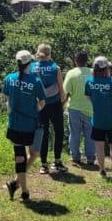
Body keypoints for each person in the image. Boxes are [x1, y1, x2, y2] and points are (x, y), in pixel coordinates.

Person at [3, 50, 46, 201]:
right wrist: (33, 110)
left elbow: (7, 100)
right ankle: (25, 191)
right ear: (30, 63)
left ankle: (15, 183)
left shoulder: (9, 78)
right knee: (26, 156)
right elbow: (42, 102)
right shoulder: (35, 81)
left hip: (14, 123)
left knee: (27, 155)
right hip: (31, 124)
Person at [85, 56, 112, 179]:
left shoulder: (89, 82)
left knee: (99, 146)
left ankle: (102, 171)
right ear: (105, 68)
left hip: (97, 120)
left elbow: (89, 97)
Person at [33, 43, 67, 174]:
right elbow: (61, 89)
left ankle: (43, 165)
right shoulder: (55, 68)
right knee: (58, 131)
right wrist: (63, 102)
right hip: (54, 104)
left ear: (38, 53)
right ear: (50, 54)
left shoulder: (33, 68)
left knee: (43, 133)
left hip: (40, 105)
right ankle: (57, 162)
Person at [62, 50, 95, 168]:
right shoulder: (93, 73)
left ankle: (76, 157)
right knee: (90, 135)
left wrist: (62, 105)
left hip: (74, 108)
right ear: (87, 60)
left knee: (75, 134)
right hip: (91, 108)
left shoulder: (71, 73)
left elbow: (65, 93)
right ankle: (91, 158)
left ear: (75, 61)